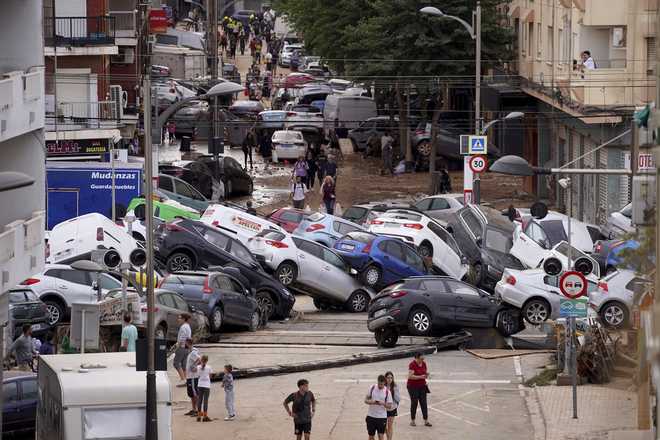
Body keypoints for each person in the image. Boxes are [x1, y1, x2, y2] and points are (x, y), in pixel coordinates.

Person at [365, 375, 394, 440]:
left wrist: (383, 403)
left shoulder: (387, 392)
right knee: (371, 437)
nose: (380, 386)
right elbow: (365, 400)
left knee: (381, 437)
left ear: (384, 383)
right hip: (371, 416)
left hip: (381, 417)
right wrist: (372, 402)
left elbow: (390, 406)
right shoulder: (372, 388)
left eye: (382, 384)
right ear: (377, 381)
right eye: (379, 384)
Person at [407, 352, 432, 427]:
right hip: (413, 386)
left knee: (424, 403)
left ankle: (426, 420)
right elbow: (410, 376)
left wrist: (427, 374)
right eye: (421, 359)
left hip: (422, 386)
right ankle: (413, 420)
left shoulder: (424, 363)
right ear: (416, 358)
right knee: (414, 403)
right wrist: (421, 377)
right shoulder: (412, 364)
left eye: (423, 358)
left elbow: (424, 372)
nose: (422, 360)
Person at [173, 313, 192, 383]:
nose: (178, 319)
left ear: (184, 319)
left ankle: (183, 379)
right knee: (184, 364)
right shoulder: (188, 326)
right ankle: (186, 379)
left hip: (182, 347)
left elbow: (183, 337)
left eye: (180, 318)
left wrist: (178, 345)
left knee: (176, 363)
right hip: (187, 347)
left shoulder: (183, 327)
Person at [184, 339, 201, 417]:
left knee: (195, 393)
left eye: (185, 343)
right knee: (191, 394)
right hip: (189, 376)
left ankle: (198, 410)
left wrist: (194, 365)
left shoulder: (193, 352)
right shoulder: (191, 352)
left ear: (187, 343)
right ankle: (194, 409)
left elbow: (199, 359)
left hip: (193, 377)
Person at [384, 372, 401, 440]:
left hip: (392, 408)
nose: (390, 379)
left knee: (390, 426)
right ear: (385, 378)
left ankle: (389, 439)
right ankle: (388, 437)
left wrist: (393, 391)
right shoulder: (383, 386)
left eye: (391, 378)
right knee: (383, 426)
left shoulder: (395, 386)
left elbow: (398, 399)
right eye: (388, 378)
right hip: (383, 409)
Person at [196, 355, 212, 422]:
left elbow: (198, 375)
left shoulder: (198, 367)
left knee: (199, 400)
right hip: (207, 385)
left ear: (201, 360)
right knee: (205, 401)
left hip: (200, 384)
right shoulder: (209, 367)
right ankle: (205, 416)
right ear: (207, 360)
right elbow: (210, 376)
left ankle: (199, 416)